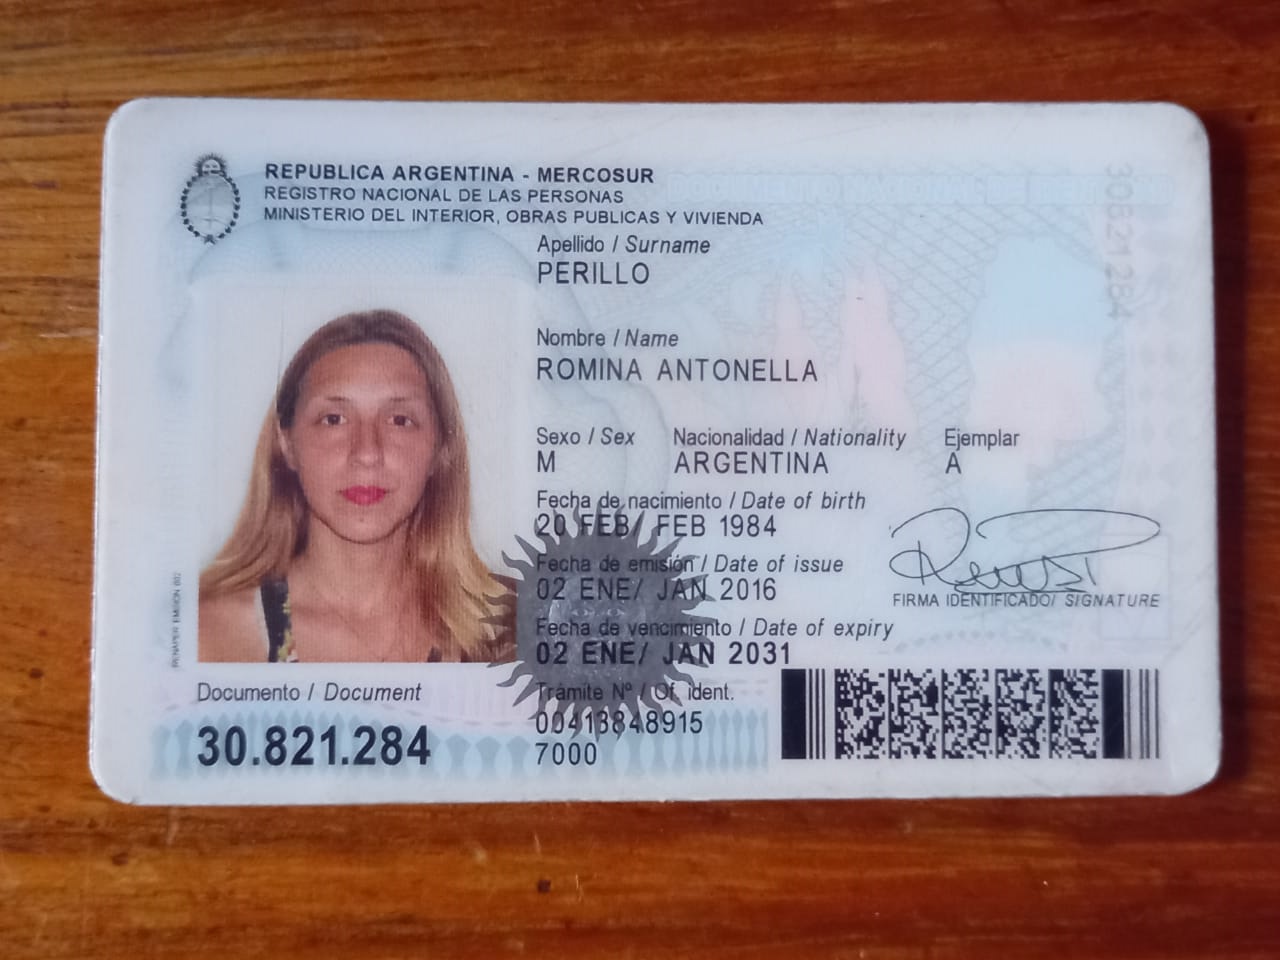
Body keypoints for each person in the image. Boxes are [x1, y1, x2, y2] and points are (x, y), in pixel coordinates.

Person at [198, 309, 511, 663]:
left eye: (399, 420)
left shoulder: (511, 629)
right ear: (287, 445)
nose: (366, 453)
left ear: (440, 448)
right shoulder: (207, 634)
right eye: (334, 419)